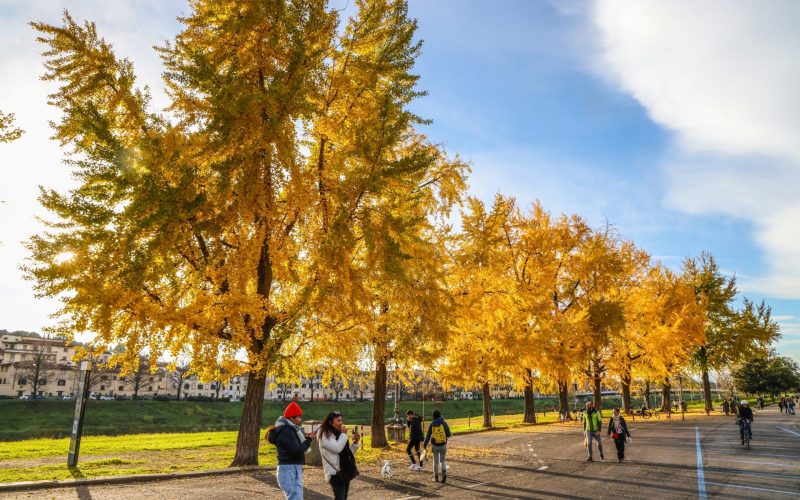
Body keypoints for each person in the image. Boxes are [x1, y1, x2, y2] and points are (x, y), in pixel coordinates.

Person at [267, 401, 316, 500]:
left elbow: (295, 447)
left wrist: (307, 438)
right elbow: (296, 450)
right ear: (291, 418)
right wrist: (309, 440)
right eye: (298, 417)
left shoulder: (291, 430)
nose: (300, 420)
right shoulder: (287, 431)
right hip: (289, 469)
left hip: (291, 468)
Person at [319, 411, 360, 500]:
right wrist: (344, 435)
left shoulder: (339, 434)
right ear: (330, 422)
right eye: (338, 420)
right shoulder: (325, 435)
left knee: (343, 498)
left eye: (341, 420)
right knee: (339, 498)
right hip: (335, 472)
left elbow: (348, 454)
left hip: (345, 470)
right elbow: (337, 448)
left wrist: (355, 443)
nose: (341, 423)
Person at [423, 410, 452, 483]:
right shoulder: (444, 423)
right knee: (442, 460)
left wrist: (424, 445)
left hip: (435, 446)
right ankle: (444, 473)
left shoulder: (431, 424)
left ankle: (436, 477)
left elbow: (427, 436)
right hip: (443, 445)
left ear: (433, 416)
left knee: (435, 462)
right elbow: (449, 434)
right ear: (440, 415)